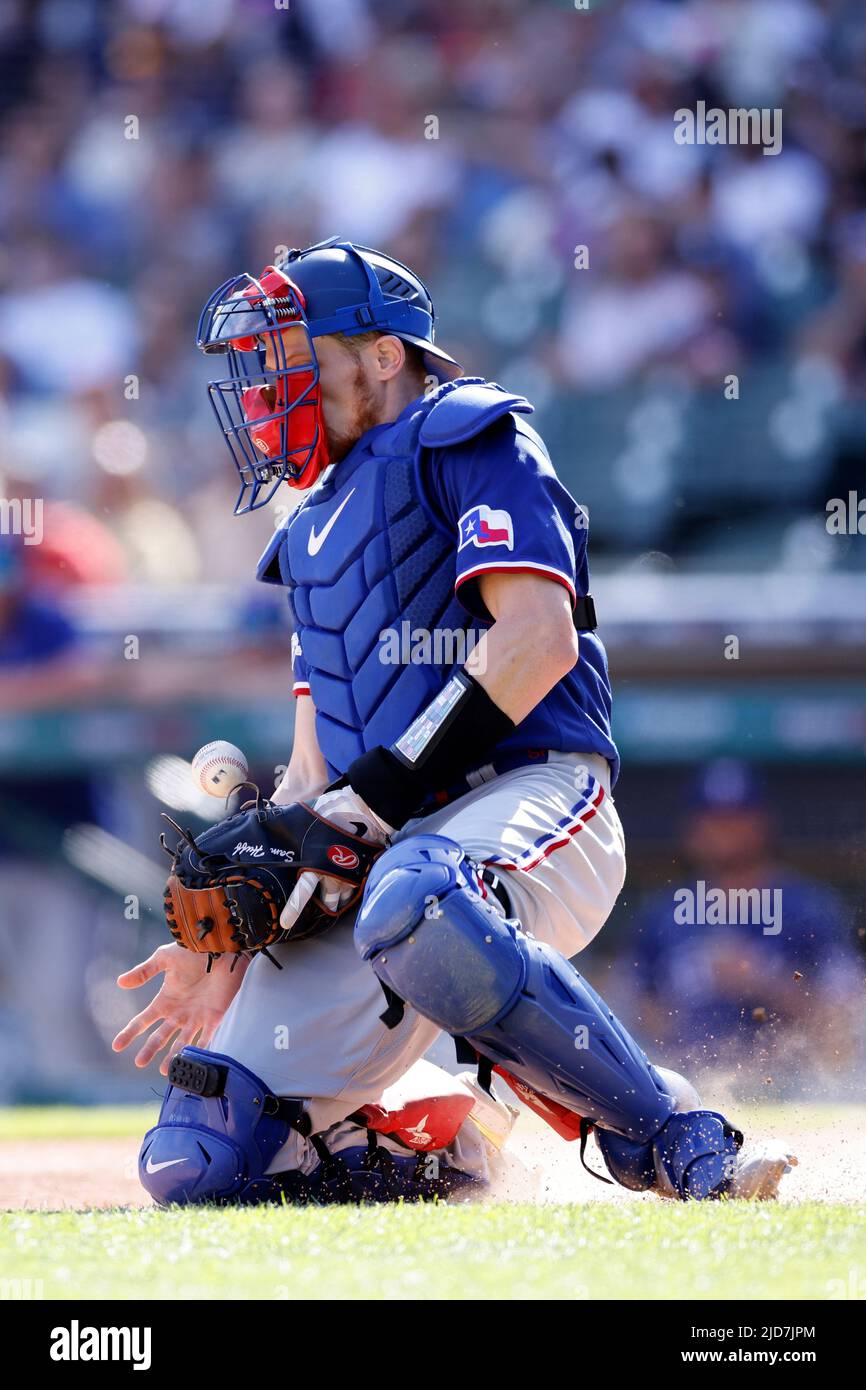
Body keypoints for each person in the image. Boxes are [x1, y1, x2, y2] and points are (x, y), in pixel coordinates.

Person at [114, 238, 793, 1204]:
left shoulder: (470, 432)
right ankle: (453, 1138)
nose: (270, 384)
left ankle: (673, 1136)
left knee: (416, 898)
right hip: (379, 847)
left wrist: (375, 802)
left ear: (383, 355)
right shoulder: (304, 527)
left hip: (526, 794)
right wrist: (228, 936)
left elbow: (537, 641)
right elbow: (315, 777)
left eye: (292, 351)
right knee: (201, 1161)